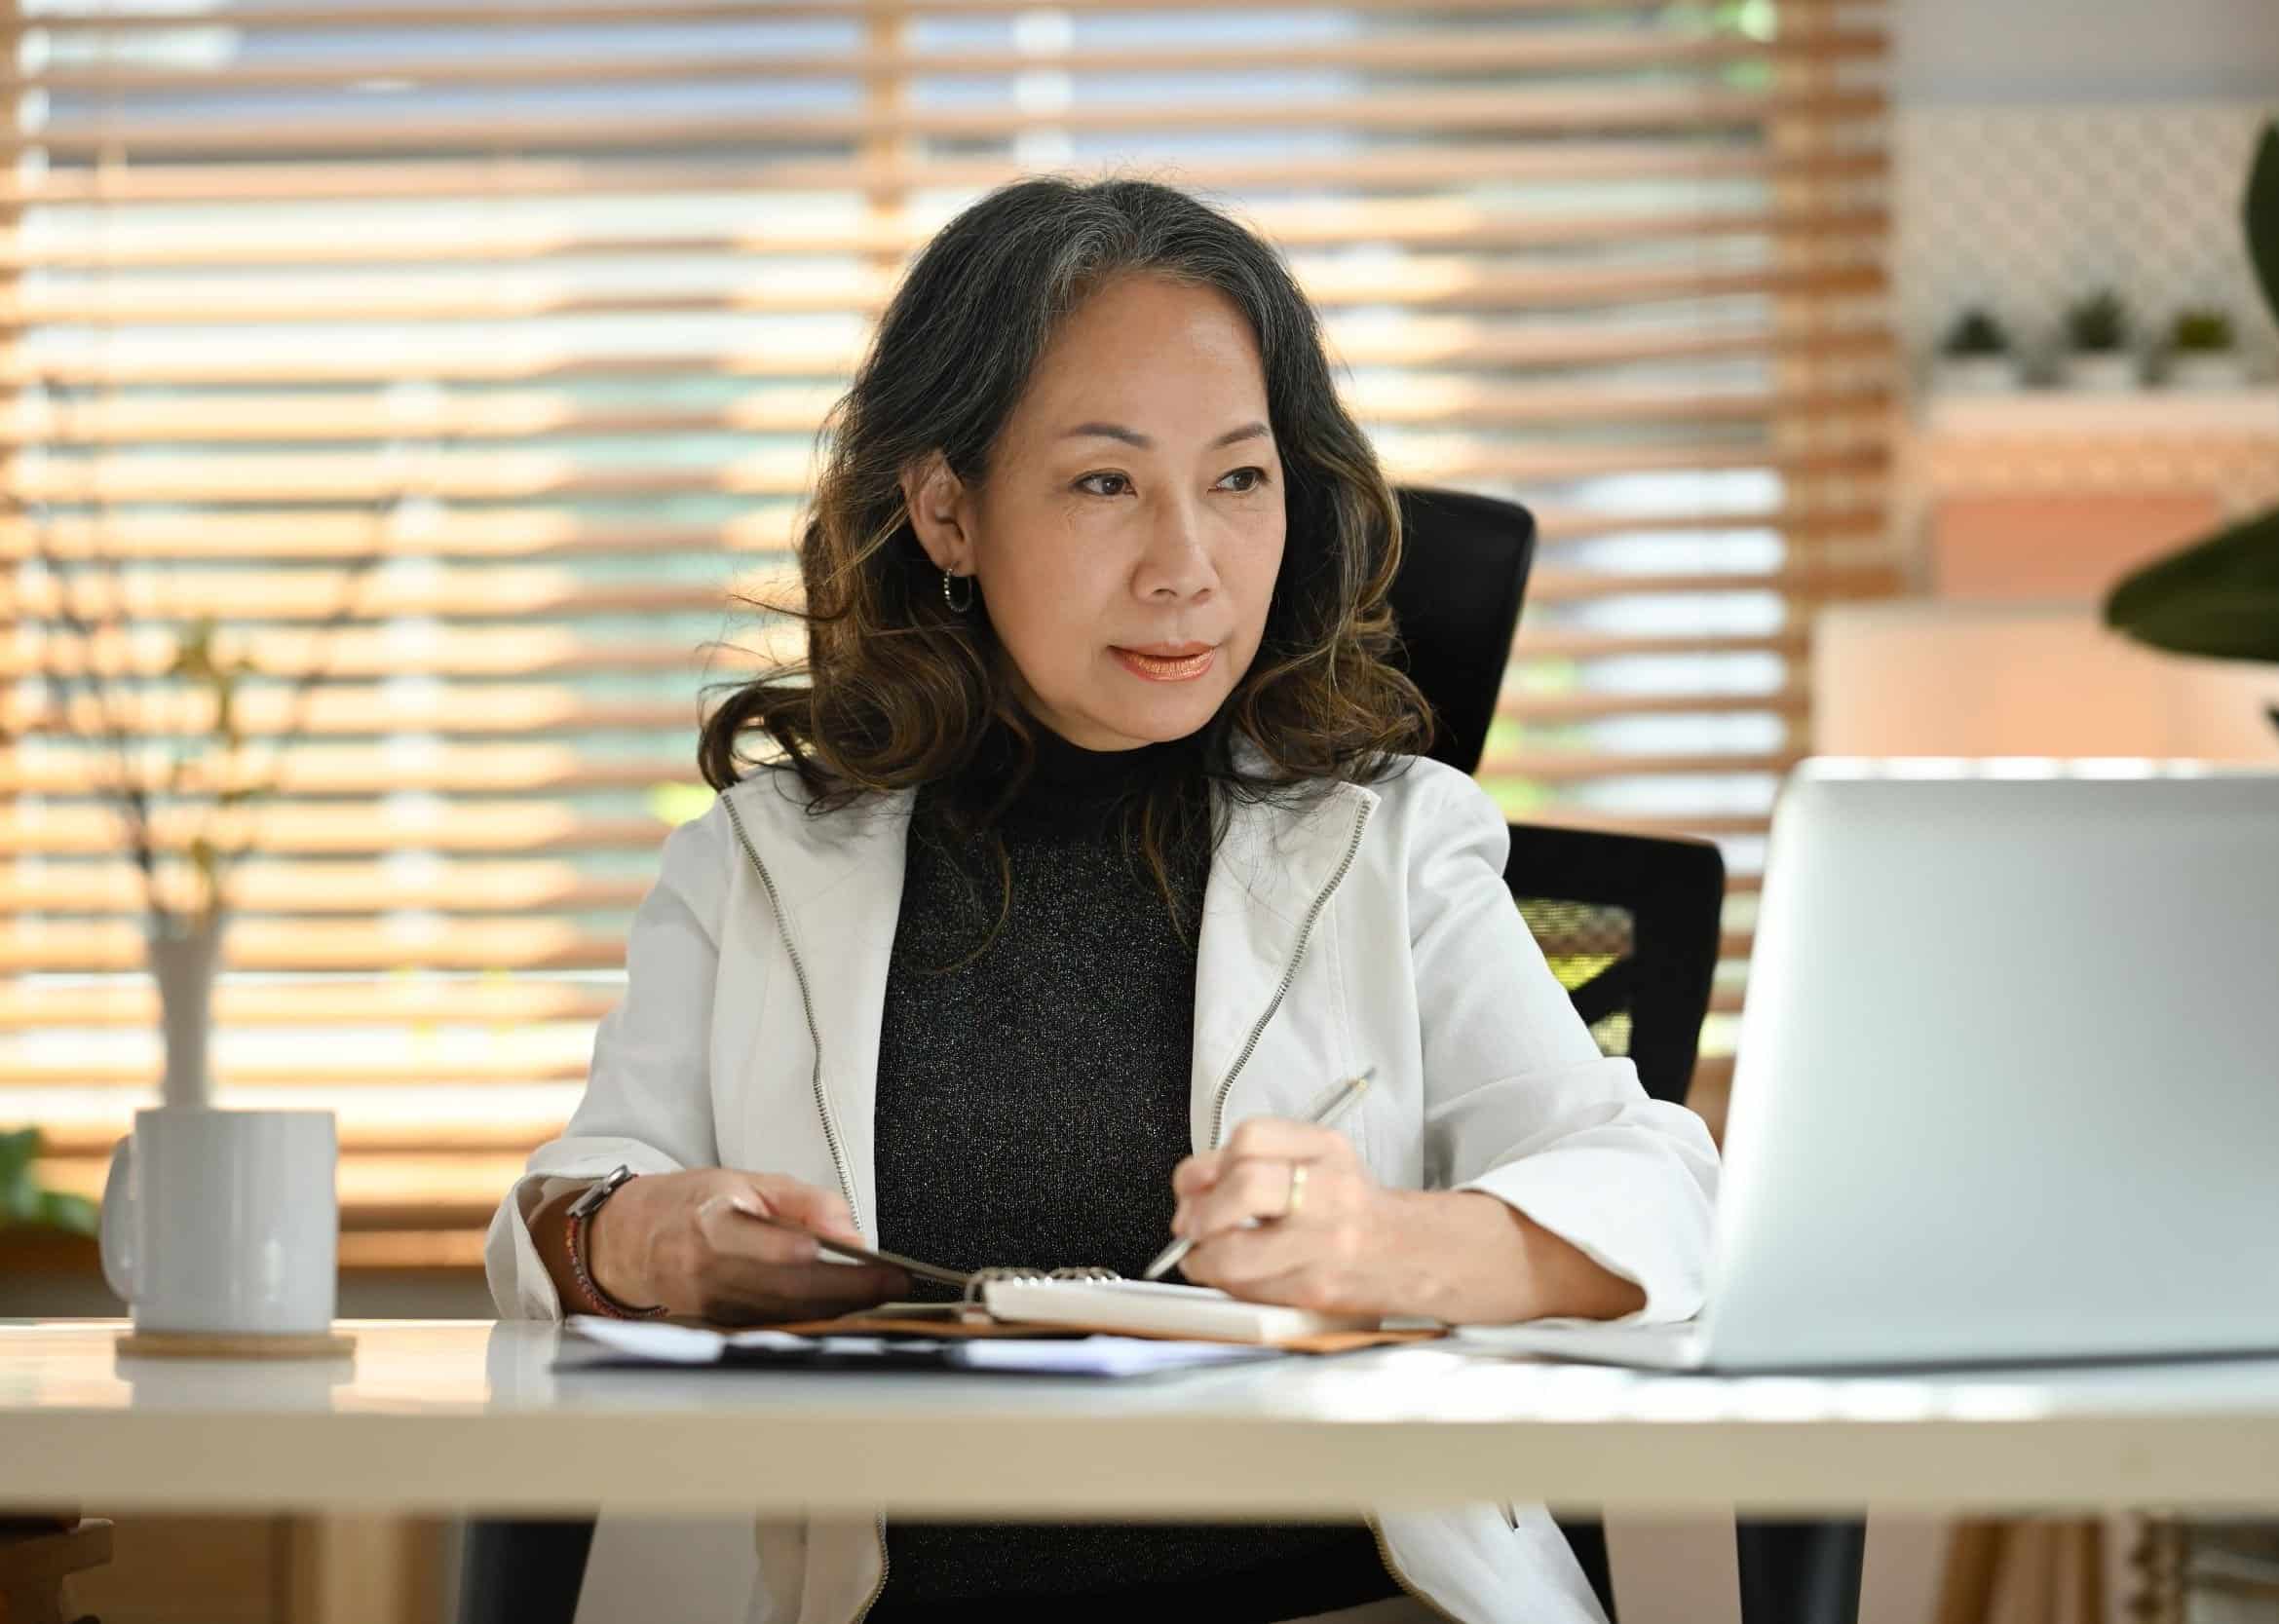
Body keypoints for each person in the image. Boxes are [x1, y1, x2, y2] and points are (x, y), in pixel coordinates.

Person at [484, 173, 1719, 1624]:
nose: (1188, 568)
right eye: (1103, 482)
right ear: (948, 510)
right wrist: (638, 1236)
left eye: (1239, 479)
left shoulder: (1391, 842)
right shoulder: (757, 864)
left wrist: (1378, 1248)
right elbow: (565, 1209)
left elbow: (1661, 1196)